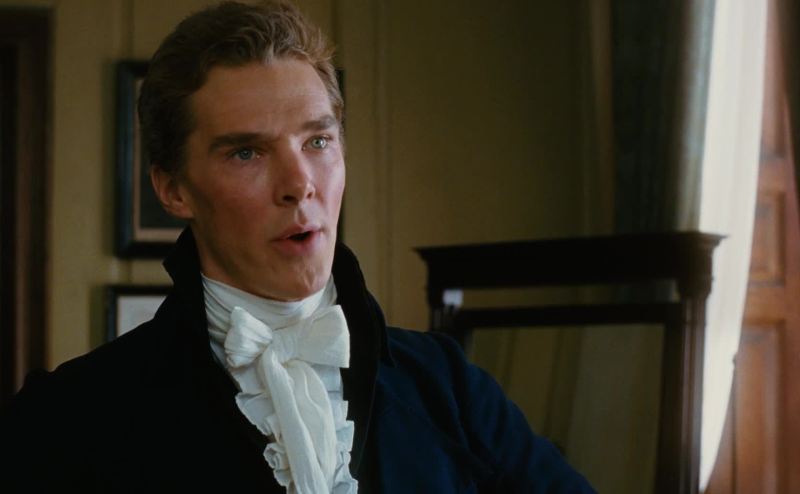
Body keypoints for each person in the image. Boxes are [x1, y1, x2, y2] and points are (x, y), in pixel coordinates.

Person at [0, 1, 595, 492]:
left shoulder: (449, 388)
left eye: (317, 142)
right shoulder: (71, 418)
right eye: (246, 152)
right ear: (173, 189)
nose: (299, 184)